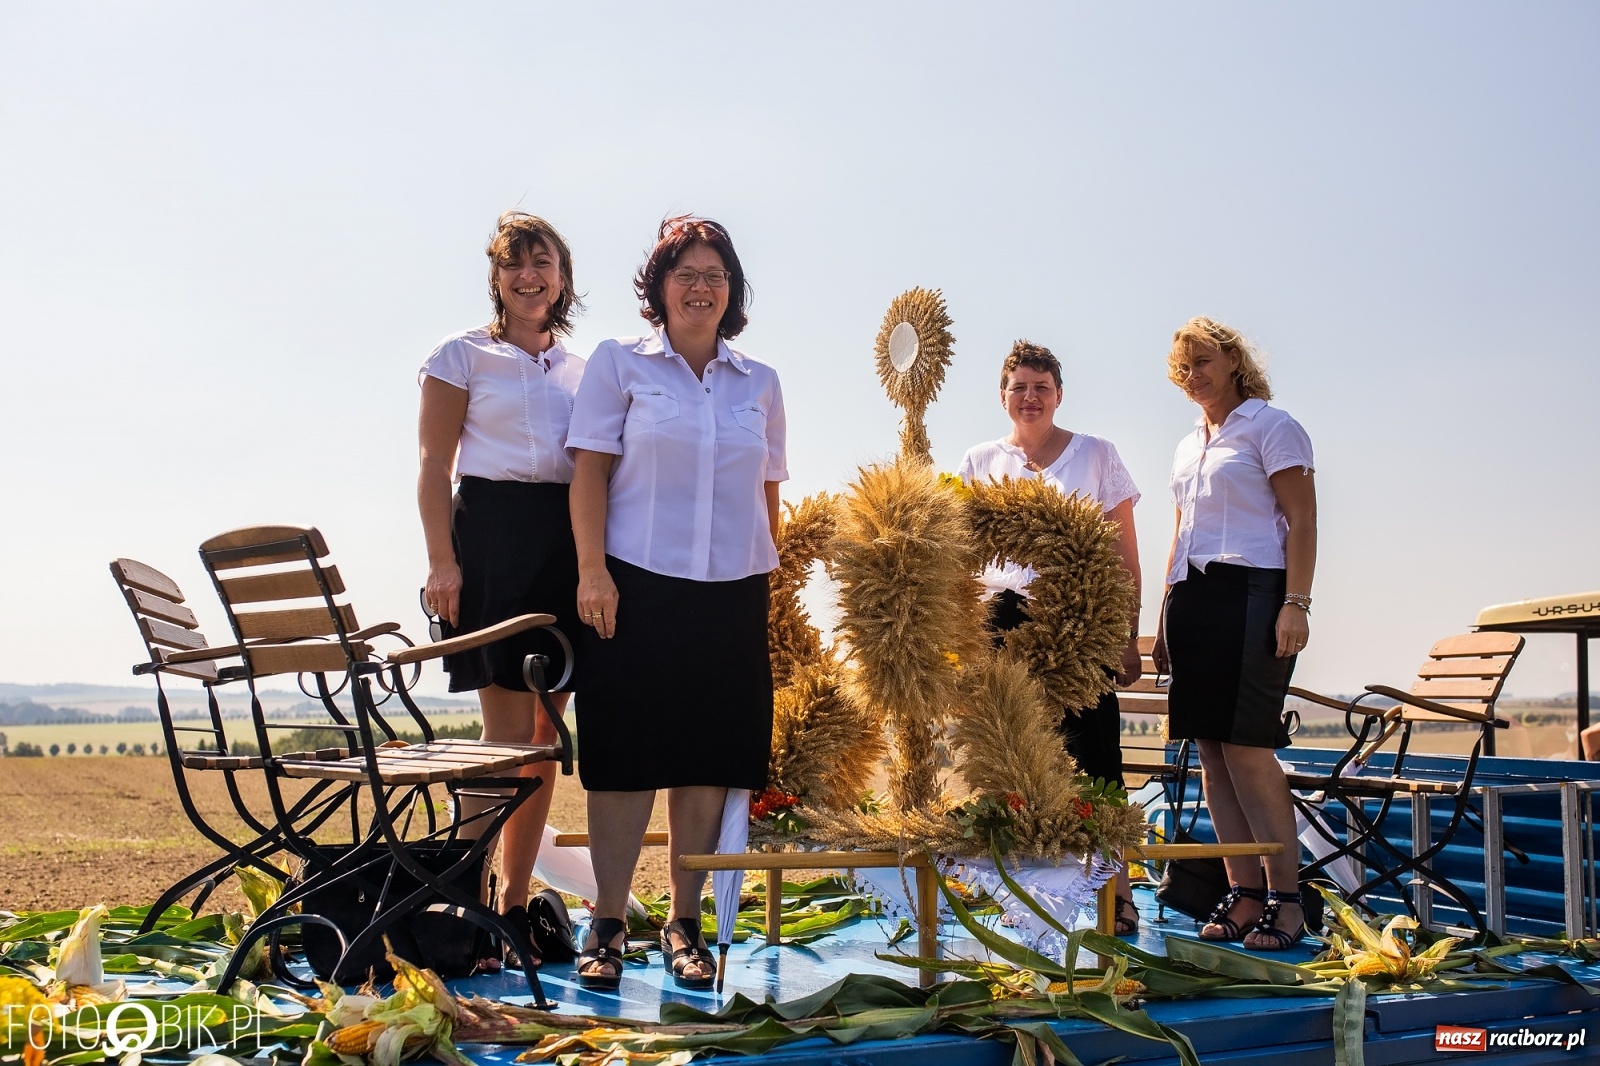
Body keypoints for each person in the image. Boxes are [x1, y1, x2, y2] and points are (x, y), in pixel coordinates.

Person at [567, 215, 786, 990]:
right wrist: (592, 572)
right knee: (624, 761)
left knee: (707, 760)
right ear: (658, 289)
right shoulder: (619, 365)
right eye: (686, 274)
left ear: (733, 293)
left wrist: (774, 586)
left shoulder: (759, 382)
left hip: (732, 593)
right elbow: (588, 472)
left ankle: (684, 924)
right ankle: (607, 923)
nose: (702, 287)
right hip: (634, 585)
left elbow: (768, 492)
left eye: (715, 276)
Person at [416, 211, 586, 969]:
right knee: (506, 740)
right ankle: (466, 899)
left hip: (565, 546)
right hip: (490, 543)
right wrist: (441, 562)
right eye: (515, 263)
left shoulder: (581, 369)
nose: (530, 275)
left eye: (542, 261)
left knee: (546, 739)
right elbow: (431, 468)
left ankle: (515, 908)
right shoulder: (460, 356)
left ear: (562, 274)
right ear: (497, 276)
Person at [958, 340, 1144, 936]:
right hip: (999, 624)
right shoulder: (979, 461)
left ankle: (1118, 895)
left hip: (1079, 624)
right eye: (1019, 387)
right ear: (1003, 396)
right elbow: (961, 559)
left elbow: (1124, 558)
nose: (1030, 397)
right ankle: (1018, 894)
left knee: (1096, 761)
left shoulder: (1095, 456)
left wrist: (1126, 636)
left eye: (1041, 387)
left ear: (1059, 395)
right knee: (1009, 760)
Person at [1151, 317, 1317, 951]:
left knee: (1248, 750)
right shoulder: (1189, 442)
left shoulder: (1273, 426)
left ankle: (1288, 900)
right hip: (1193, 598)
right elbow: (1180, 532)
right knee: (1212, 758)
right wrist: (1165, 614)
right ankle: (1245, 894)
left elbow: (1302, 521)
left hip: (1255, 594)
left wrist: (1295, 605)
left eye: (1205, 360)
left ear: (1234, 361)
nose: (1194, 373)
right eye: (1184, 365)